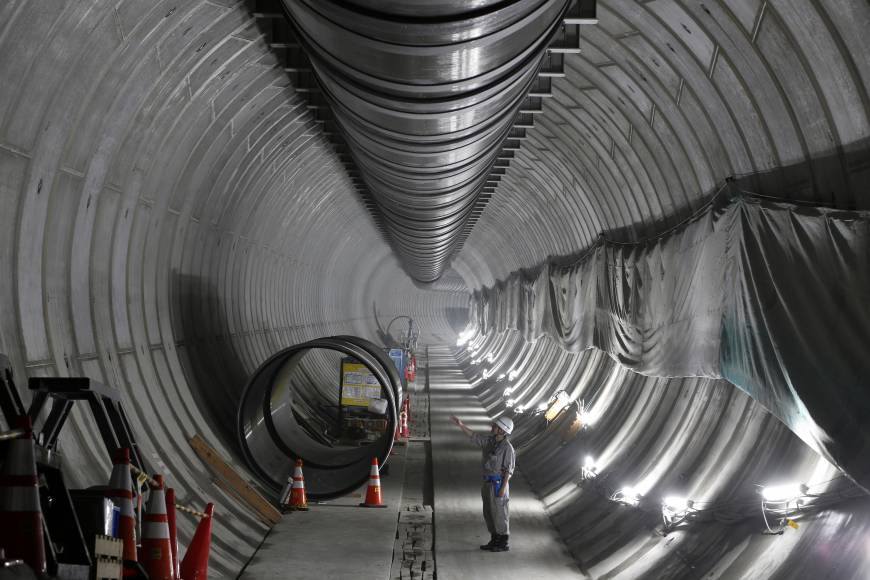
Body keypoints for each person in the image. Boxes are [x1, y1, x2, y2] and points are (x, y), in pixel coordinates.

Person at [450, 414, 516, 552]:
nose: (493, 426)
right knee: (489, 512)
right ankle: (494, 539)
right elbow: (475, 437)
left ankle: (503, 542)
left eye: (496, 426)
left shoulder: (507, 448)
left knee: (499, 513)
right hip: (487, 483)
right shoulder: (491, 442)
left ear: (502, 430)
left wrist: (503, 488)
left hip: (498, 484)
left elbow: (508, 471)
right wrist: (461, 425)